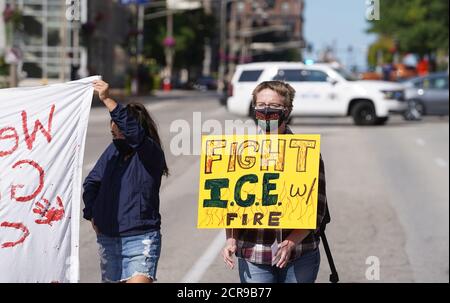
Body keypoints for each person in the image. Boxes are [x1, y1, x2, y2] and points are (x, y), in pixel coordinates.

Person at [221, 81, 328, 283]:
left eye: (275, 106)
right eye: (261, 105)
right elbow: (231, 205)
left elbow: (316, 209)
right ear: (254, 108)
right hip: (254, 253)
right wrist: (231, 238)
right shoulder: (240, 152)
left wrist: (289, 243)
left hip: (300, 255)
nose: (266, 110)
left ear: (287, 111)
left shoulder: (306, 153)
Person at [83, 80, 169, 283]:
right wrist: (92, 213)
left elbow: (134, 135)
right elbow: (91, 183)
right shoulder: (112, 152)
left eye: (121, 133)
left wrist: (106, 99)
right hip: (108, 240)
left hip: (141, 239)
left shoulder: (150, 153)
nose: (117, 138)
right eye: (113, 134)